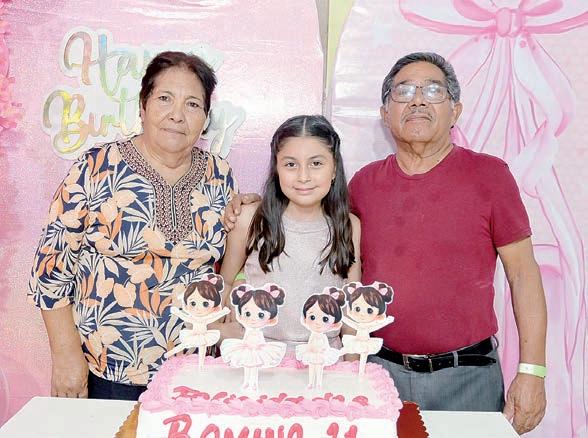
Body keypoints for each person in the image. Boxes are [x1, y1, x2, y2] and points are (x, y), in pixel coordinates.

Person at [224, 53, 547, 435]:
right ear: (385, 113)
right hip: (377, 372)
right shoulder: (364, 185)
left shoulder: (489, 176)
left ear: (455, 110)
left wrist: (532, 370)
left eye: (433, 90)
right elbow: (313, 226)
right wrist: (251, 205)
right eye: (404, 91)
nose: (418, 100)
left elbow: (523, 274)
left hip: (468, 376)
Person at [28, 51, 237, 400]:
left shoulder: (220, 174)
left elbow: (233, 259)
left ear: (205, 118)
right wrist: (65, 357)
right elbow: (50, 270)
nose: (177, 115)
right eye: (165, 98)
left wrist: (250, 209)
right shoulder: (97, 167)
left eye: (192, 104)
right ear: (142, 105)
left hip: (195, 371)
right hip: (108, 374)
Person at [219, 115, 361, 353]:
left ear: (334, 169)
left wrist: (353, 366)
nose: (303, 176)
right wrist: (221, 334)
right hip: (258, 359)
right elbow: (225, 282)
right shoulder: (250, 218)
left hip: (323, 361)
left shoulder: (348, 225)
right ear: (276, 169)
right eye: (291, 164)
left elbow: (352, 307)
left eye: (316, 163)